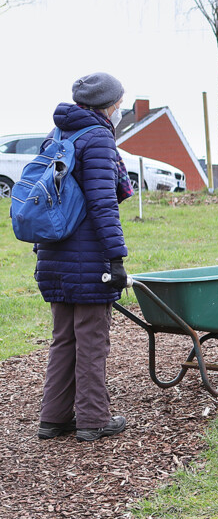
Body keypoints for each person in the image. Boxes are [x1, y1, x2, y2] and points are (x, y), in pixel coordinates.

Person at [35, 72, 133, 443]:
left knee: (64, 338)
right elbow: (104, 204)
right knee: (92, 339)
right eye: (120, 105)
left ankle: (54, 418)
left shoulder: (57, 135)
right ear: (108, 105)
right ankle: (94, 419)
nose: (120, 111)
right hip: (89, 258)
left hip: (53, 254)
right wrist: (117, 258)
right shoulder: (98, 140)